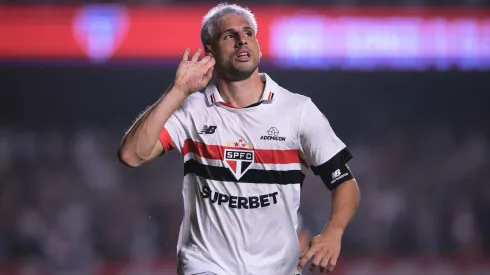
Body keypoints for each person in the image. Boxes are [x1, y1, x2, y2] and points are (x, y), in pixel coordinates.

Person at [118, 3, 360, 275]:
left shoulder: (298, 111)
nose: (241, 39)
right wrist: (178, 91)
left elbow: (345, 183)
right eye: (229, 35)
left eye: (248, 33)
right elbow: (131, 155)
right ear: (210, 51)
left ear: (257, 44)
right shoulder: (193, 110)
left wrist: (333, 232)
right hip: (206, 267)